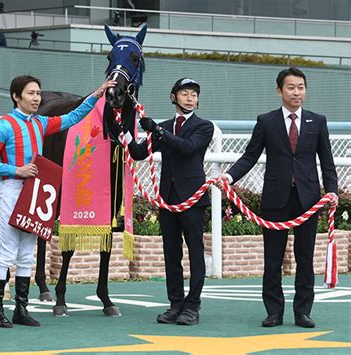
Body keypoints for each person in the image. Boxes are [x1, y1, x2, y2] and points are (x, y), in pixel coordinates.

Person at [0, 75, 115, 328]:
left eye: (38, 93)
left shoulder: (40, 123)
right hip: (11, 189)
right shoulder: (4, 126)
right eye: (31, 93)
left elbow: (73, 118)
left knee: (26, 255)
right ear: (16, 97)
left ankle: (21, 309)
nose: (36, 98)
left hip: (34, 192)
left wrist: (97, 94)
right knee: (6, 252)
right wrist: (16, 170)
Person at [219, 67, 339, 328]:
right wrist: (228, 178)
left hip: (308, 200)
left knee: (304, 257)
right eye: (291, 87)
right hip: (275, 199)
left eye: (301, 87)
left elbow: (327, 160)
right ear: (279, 91)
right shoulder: (266, 121)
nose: (297, 92)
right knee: (272, 258)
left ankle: (302, 312)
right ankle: (274, 311)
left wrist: (331, 189)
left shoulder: (317, 121)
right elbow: (250, 156)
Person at [114, 78, 213, 325]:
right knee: (171, 253)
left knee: (196, 253)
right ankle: (175, 304)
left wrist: (157, 130)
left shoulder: (204, 127)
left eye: (194, 94)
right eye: (184, 93)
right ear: (173, 97)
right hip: (167, 197)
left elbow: (187, 148)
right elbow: (139, 153)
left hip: (192, 198)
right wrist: (125, 129)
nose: (190, 98)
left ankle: (192, 306)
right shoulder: (166, 126)